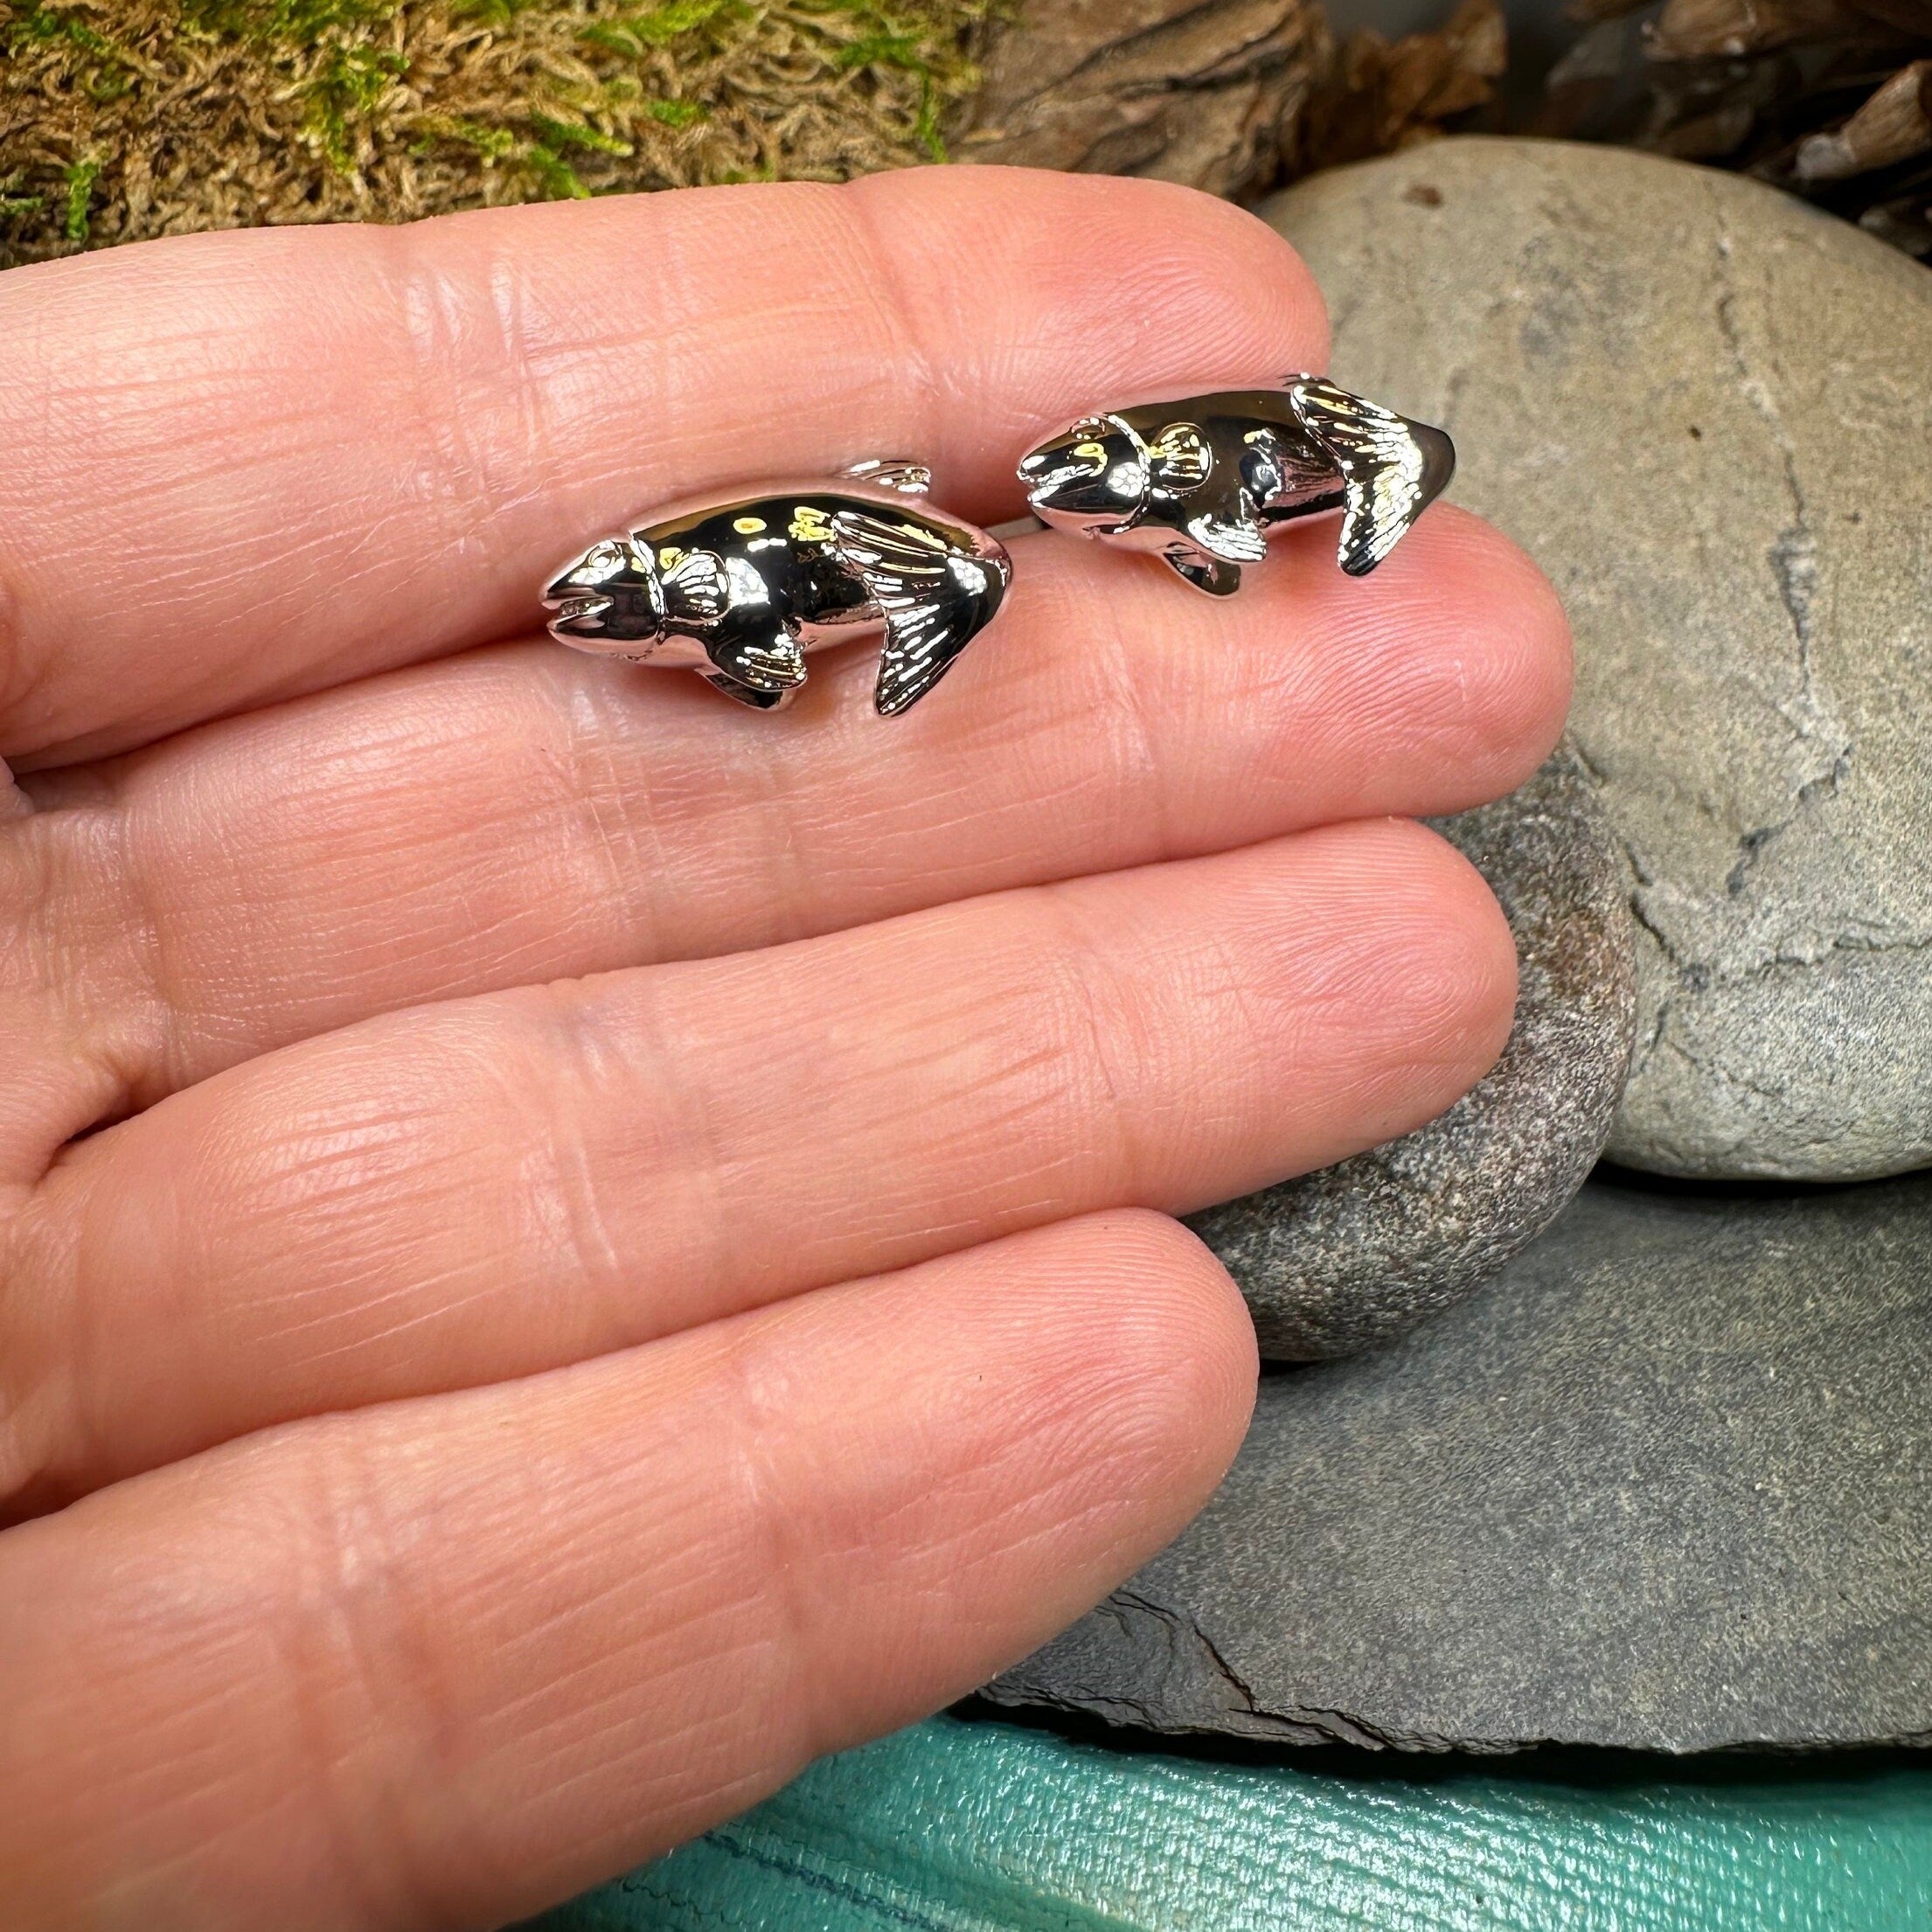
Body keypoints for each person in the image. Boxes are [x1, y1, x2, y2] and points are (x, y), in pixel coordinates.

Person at [0, 165, 1568, 1928]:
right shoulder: (699, 582)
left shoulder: (972, 539)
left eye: (1100, 490)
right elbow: (739, 630)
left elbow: (805, 616)